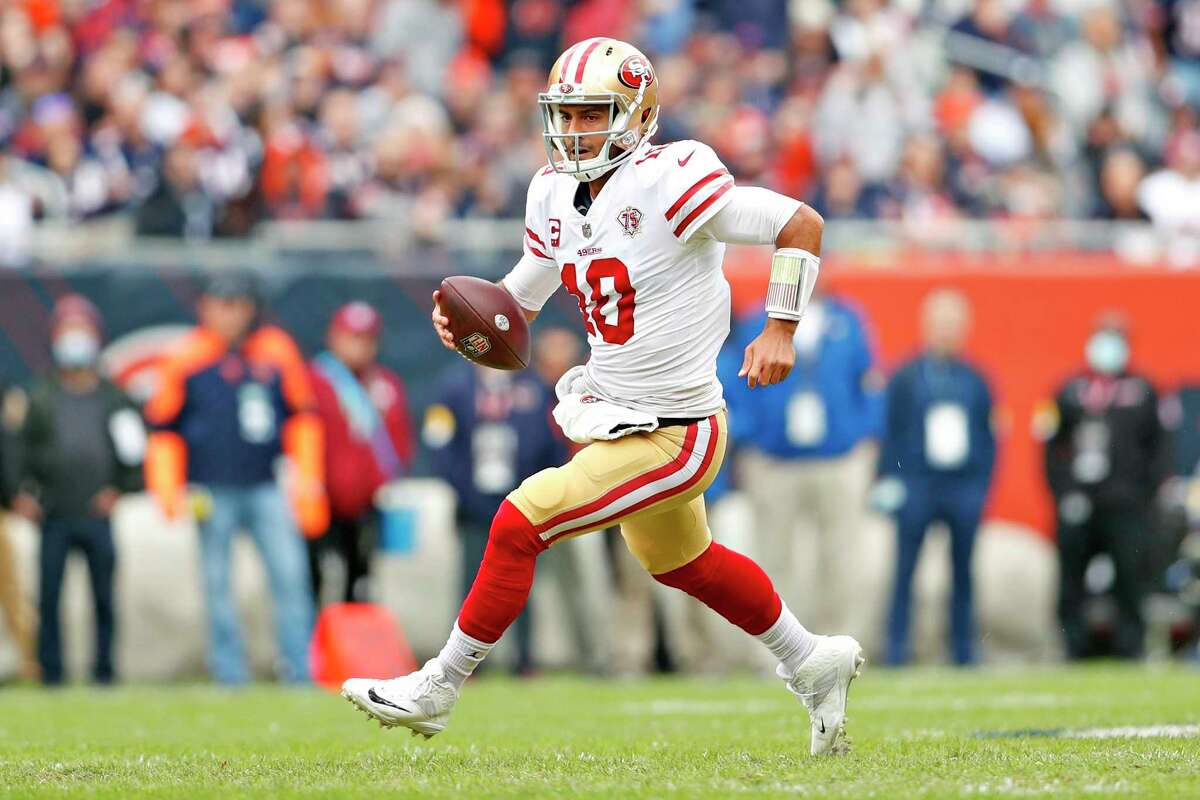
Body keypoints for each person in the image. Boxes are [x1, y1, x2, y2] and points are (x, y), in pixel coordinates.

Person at [342, 38, 863, 756]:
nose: (577, 129)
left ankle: (439, 685)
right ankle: (812, 659)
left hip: (678, 431)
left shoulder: (671, 178)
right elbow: (521, 297)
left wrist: (780, 326)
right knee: (685, 563)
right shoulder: (553, 191)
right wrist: (469, 320)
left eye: (594, 113)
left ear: (638, 113)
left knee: (520, 521)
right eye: (568, 114)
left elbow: (798, 223)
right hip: (619, 419)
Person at [144, 272, 326, 684]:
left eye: (238, 304)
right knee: (216, 584)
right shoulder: (186, 357)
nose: (230, 314)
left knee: (290, 578)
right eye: (221, 304)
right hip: (211, 487)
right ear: (206, 308)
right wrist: (167, 488)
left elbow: (303, 419)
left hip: (265, 483)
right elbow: (163, 428)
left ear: (250, 308)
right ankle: (229, 675)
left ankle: (299, 671)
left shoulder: (276, 351)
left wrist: (307, 481)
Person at [723, 288, 883, 637]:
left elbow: (869, 383)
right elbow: (736, 386)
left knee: (841, 558)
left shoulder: (848, 319)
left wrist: (863, 440)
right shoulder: (757, 320)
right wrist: (752, 440)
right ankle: (779, 649)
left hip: (837, 459)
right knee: (773, 560)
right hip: (774, 461)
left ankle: (841, 643)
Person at [8, 295, 145, 685]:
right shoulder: (41, 397)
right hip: (54, 513)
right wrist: (22, 493)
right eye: (67, 331)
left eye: (80, 331)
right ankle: (51, 673)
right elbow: (20, 451)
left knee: (104, 599)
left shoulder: (114, 396)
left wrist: (120, 489)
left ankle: (105, 672)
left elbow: (134, 452)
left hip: (97, 514)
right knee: (49, 597)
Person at [875, 289, 996, 666]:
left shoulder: (976, 380)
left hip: (960, 486)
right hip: (918, 484)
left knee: (963, 572)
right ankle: (897, 650)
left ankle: (963, 652)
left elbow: (989, 436)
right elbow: (890, 431)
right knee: (905, 570)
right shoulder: (907, 377)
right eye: (940, 323)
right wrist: (889, 479)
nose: (946, 332)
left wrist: (979, 487)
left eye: (953, 324)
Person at [424, 359, 566, 676]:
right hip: (473, 505)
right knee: (472, 584)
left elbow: (552, 443)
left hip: (521, 502)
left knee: (522, 584)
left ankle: (524, 659)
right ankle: (469, 663)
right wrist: (465, 494)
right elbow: (439, 444)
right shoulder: (455, 387)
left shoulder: (533, 387)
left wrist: (536, 489)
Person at [1044, 314, 1168, 659]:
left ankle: (1131, 647)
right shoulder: (1070, 390)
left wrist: (1144, 495)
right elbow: (1051, 447)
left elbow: (1160, 448)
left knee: (1130, 577)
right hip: (1080, 501)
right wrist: (1064, 492)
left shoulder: (1142, 391)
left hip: (1124, 502)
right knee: (1071, 580)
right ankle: (1073, 648)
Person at [309, 302, 414, 605]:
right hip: (321, 500)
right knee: (314, 577)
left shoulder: (385, 385)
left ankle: (352, 648)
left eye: (367, 338)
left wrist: (387, 480)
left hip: (367, 503)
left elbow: (400, 438)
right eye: (352, 337)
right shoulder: (315, 380)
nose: (359, 346)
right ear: (334, 337)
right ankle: (315, 648)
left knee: (361, 580)